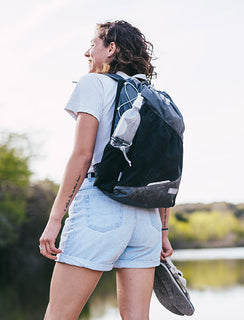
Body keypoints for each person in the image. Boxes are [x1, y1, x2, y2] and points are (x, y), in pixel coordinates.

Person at [39, 20, 173, 320]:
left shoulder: (94, 84)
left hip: (101, 207)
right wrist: (163, 231)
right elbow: (164, 169)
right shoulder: (156, 98)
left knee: (59, 316)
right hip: (147, 221)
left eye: (93, 45)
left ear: (111, 49)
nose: (87, 52)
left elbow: (83, 155)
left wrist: (55, 218)